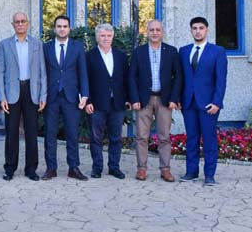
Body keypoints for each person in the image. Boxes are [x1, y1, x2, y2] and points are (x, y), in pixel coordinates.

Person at [129, 19, 181, 182]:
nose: (155, 33)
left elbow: (178, 77)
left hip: (164, 100)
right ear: (147, 32)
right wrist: (134, 98)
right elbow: (132, 77)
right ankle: (142, 169)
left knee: (164, 136)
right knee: (141, 136)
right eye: (151, 30)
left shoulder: (171, 51)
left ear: (162, 32)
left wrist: (174, 98)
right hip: (144, 100)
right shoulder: (139, 52)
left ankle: (165, 170)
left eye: (158, 30)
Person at [0, 12, 46, 182]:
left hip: (31, 91)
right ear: (13, 24)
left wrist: (43, 95)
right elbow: (1, 71)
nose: (20, 24)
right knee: (11, 133)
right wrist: (2, 97)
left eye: (23, 21)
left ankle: (31, 169)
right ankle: (10, 168)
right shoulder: (4, 44)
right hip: (12, 93)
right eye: (17, 22)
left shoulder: (37, 44)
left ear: (28, 23)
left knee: (31, 133)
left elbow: (42, 71)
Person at [179, 16, 227, 186]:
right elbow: (180, 78)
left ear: (207, 30)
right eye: (195, 28)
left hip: (208, 104)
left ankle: (209, 175)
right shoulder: (183, 51)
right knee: (191, 138)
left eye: (201, 28)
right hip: (188, 103)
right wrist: (178, 99)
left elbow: (221, 80)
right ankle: (191, 172)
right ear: (191, 30)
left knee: (209, 139)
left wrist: (217, 102)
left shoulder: (217, 51)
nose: (198, 31)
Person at [42, 15, 90, 181]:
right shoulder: (46, 47)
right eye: (59, 26)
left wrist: (85, 94)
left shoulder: (77, 47)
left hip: (71, 97)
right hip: (51, 97)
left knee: (72, 134)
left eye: (65, 26)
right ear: (54, 28)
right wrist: (41, 95)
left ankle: (73, 167)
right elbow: (42, 73)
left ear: (69, 28)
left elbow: (82, 72)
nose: (62, 29)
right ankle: (51, 168)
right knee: (50, 134)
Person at [85, 24, 129, 180]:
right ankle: (97, 168)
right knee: (96, 138)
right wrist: (87, 101)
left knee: (115, 138)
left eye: (109, 36)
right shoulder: (89, 56)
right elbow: (85, 80)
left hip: (117, 103)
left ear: (112, 37)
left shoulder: (120, 56)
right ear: (97, 37)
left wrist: (128, 98)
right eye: (102, 35)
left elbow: (126, 79)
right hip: (96, 104)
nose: (106, 38)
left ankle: (114, 167)